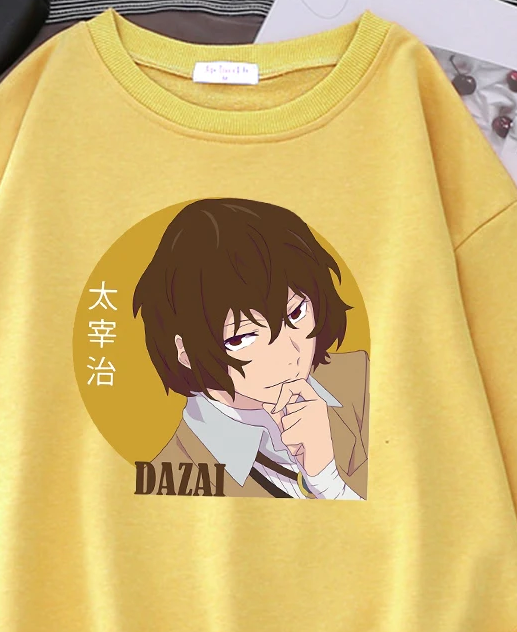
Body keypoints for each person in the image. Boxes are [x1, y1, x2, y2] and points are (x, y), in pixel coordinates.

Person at [132, 197, 368, 499]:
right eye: (242, 338)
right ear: (186, 353)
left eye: (296, 313)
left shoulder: (362, 380)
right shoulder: (171, 473)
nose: (289, 356)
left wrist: (328, 480)